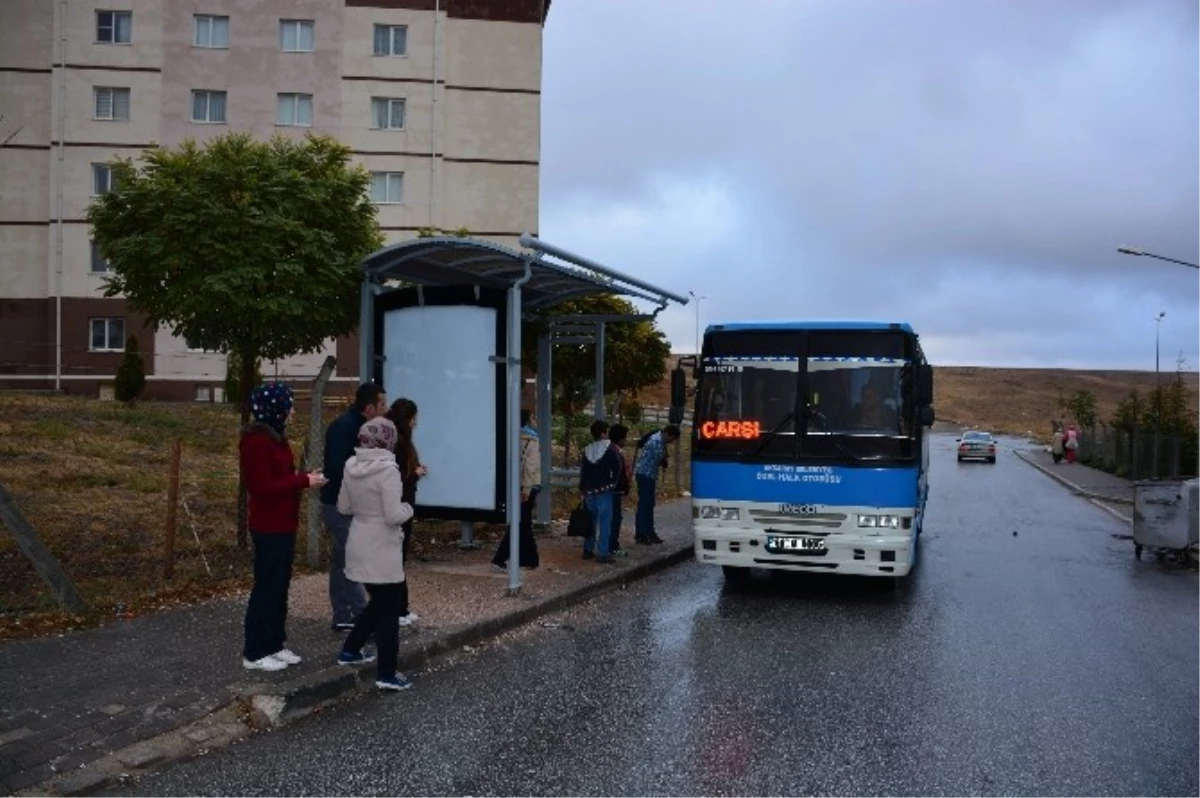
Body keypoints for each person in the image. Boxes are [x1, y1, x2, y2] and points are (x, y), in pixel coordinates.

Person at [240, 382, 326, 672]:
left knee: (279, 587)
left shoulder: (276, 439)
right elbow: (262, 487)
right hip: (268, 526)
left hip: (283, 523)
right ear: (274, 408)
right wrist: (303, 481)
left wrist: (304, 477)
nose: (291, 412)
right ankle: (255, 651)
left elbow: (281, 478)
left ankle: (274, 643)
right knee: (267, 587)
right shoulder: (256, 442)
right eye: (288, 405)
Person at [337, 417, 415, 692]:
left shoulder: (350, 466)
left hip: (358, 541)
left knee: (379, 603)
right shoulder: (388, 471)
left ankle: (350, 649)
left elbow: (344, 507)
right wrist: (409, 508)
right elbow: (394, 515)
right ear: (389, 440)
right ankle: (387, 672)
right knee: (389, 610)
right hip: (383, 547)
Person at [321, 383, 388, 632]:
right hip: (340, 505)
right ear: (369, 407)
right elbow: (340, 468)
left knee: (342, 559)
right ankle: (363, 617)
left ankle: (342, 614)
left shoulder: (369, 429)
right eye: (382, 404)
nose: (386, 408)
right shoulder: (344, 428)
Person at [386, 398, 428, 626]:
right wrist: (416, 474)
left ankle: (400, 607)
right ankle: (396, 609)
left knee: (398, 558)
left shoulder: (396, 441)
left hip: (402, 506)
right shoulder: (399, 445)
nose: (415, 423)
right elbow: (398, 479)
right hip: (400, 506)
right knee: (396, 558)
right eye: (413, 419)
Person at [492, 409, 542, 570]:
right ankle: (503, 558)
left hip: (511, 485)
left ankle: (527, 559)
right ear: (527, 420)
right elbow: (531, 467)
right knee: (521, 522)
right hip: (527, 486)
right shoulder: (531, 439)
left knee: (523, 522)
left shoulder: (508, 437)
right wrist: (527, 490)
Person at [579, 419, 621, 564]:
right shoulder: (611, 449)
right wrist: (613, 483)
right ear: (604, 432)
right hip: (605, 490)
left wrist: (582, 489)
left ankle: (587, 550)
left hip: (589, 490)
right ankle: (603, 553)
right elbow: (617, 469)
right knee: (605, 522)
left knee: (590, 521)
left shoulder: (587, 450)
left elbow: (583, 472)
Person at [634, 425, 681, 545]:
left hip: (649, 474)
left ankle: (649, 531)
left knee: (649, 504)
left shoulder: (659, 440)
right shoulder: (656, 441)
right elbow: (659, 459)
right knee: (645, 504)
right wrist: (664, 458)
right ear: (668, 434)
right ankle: (641, 533)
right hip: (645, 474)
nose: (672, 442)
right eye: (672, 439)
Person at [608, 423, 633, 557]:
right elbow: (621, 474)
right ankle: (612, 546)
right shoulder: (617, 453)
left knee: (609, 519)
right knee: (615, 519)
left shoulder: (608, 450)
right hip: (615, 491)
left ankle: (607, 545)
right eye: (625, 438)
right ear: (621, 439)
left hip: (608, 490)